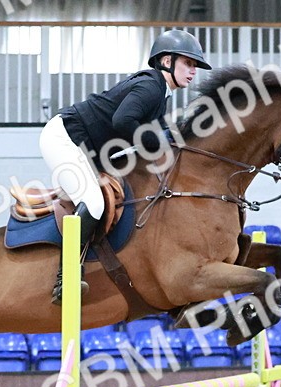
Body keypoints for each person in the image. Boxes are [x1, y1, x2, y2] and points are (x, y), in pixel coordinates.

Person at [40, 29, 212, 304]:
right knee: (94, 202)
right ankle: (66, 278)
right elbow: (123, 121)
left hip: (88, 147)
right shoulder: (151, 86)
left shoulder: (160, 93)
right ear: (167, 60)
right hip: (64, 138)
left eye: (195, 66)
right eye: (188, 63)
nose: (193, 72)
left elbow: (140, 133)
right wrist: (156, 141)